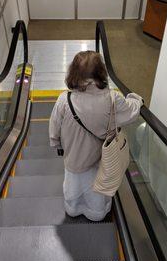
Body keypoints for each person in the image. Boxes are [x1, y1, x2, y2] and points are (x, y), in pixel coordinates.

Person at [49, 51, 143, 221]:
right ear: (101, 72)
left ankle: (73, 207)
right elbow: (131, 112)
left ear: (73, 72)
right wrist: (136, 99)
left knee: (74, 182)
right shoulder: (112, 99)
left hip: (73, 156)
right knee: (96, 185)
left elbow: (54, 127)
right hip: (100, 157)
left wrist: (56, 145)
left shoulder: (64, 99)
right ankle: (97, 212)